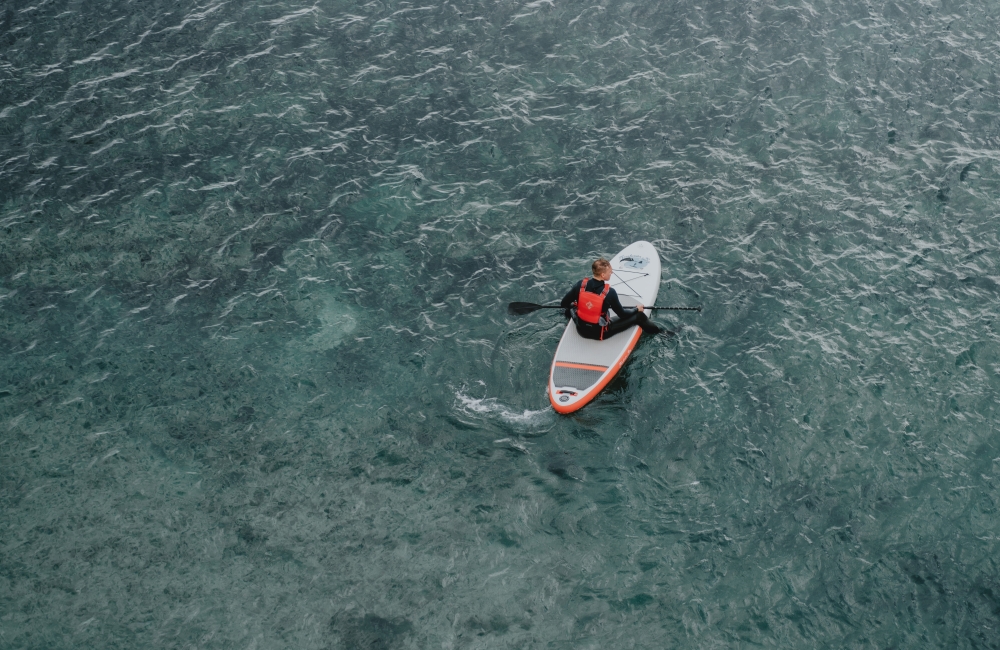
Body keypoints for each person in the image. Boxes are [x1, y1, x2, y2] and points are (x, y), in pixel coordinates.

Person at [560, 258, 660, 340]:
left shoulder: (580, 285)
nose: (611, 272)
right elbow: (622, 314)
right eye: (610, 271)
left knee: (571, 306)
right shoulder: (610, 292)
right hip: (599, 333)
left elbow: (564, 303)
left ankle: (568, 318)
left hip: (580, 329)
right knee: (639, 317)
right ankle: (662, 333)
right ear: (602, 275)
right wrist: (636, 309)